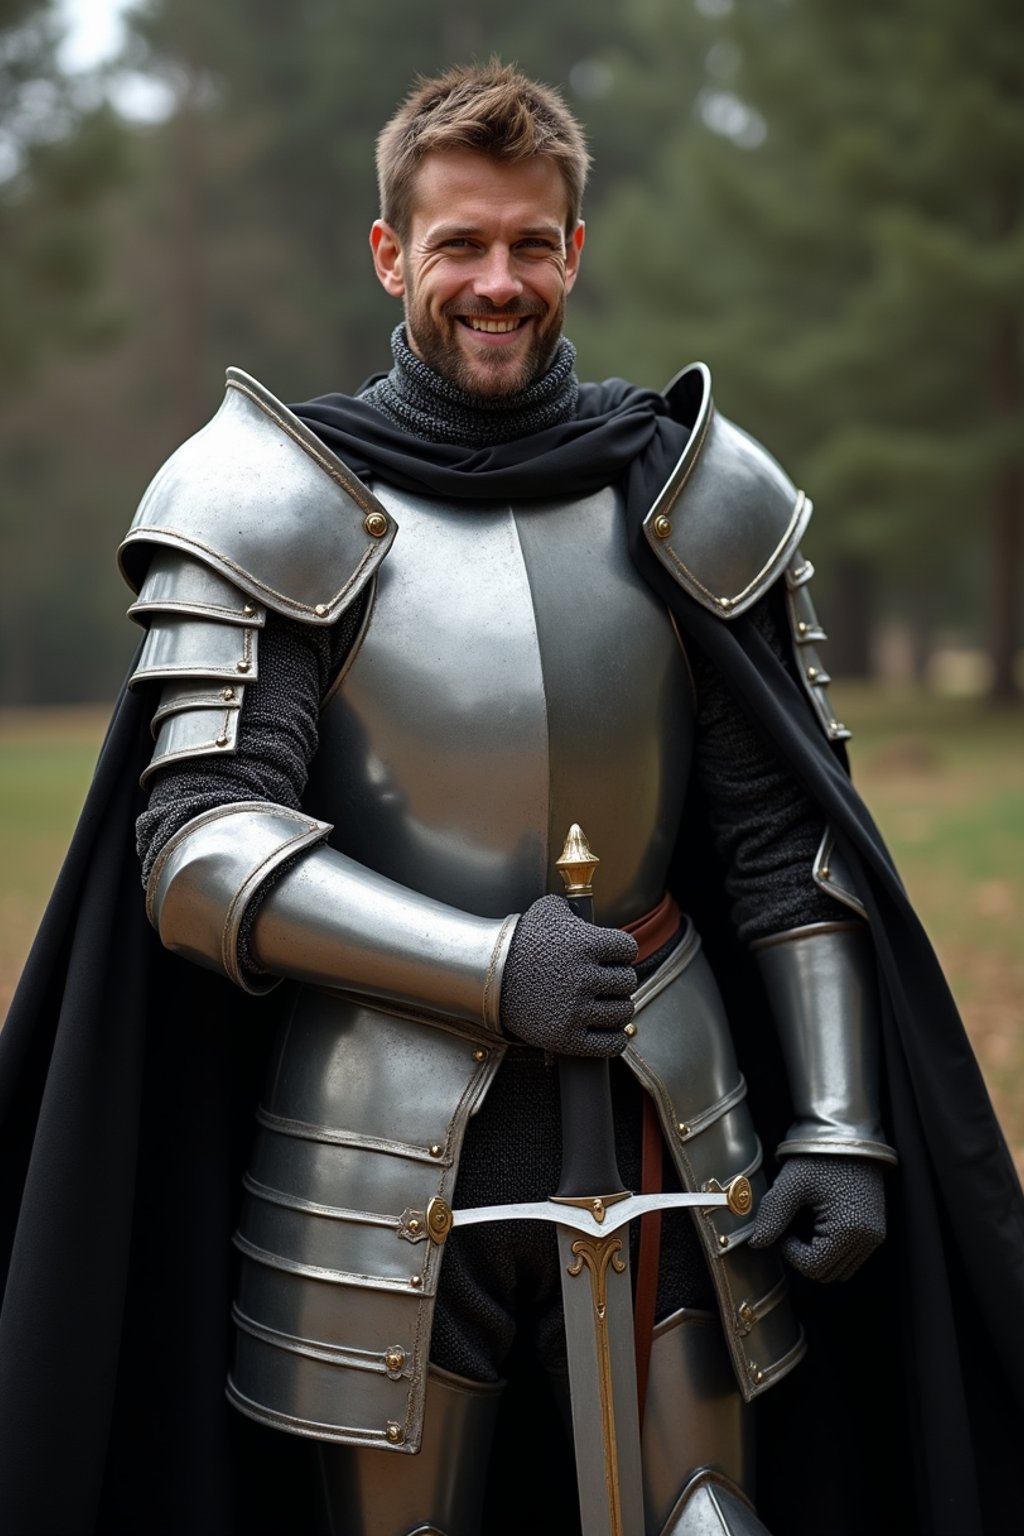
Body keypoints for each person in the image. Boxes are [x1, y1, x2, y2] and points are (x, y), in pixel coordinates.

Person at [1, 60, 1022, 1536]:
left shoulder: (681, 495)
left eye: (531, 244)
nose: (498, 280)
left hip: (684, 1126)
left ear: (574, 253)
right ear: (389, 255)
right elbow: (199, 851)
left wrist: (845, 1124)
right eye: (461, 245)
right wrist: (493, 967)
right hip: (375, 1141)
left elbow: (780, 844)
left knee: (707, 1524)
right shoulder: (279, 504)